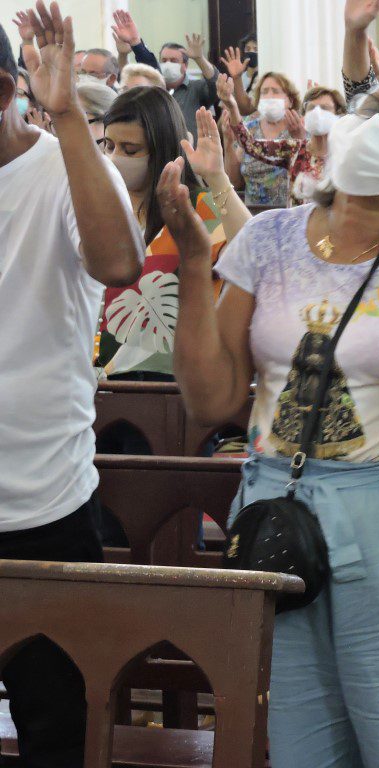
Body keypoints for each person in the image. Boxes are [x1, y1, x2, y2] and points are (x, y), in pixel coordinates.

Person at [164, 64, 379, 767]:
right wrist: (195, 268)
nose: (373, 124)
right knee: (296, 737)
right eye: (371, 106)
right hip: (275, 501)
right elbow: (214, 401)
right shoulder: (270, 240)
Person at [0, 6, 144, 766]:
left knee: (56, 735)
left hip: (42, 508)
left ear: (2, 89)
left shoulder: (63, 169)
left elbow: (120, 264)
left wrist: (65, 116)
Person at [94, 87, 250, 380]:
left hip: (170, 379)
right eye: (109, 145)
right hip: (96, 375)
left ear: (162, 147)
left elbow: (253, 249)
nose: (114, 158)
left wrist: (217, 176)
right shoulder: (100, 207)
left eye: (130, 150)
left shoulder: (194, 204)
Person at [221, 75, 344, 207]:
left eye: (325, 108)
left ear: (339, 115)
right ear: (304, 116)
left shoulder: (344, 154)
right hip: (296, 225)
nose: (317, 113)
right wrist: (232, 106)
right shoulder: (295, 149)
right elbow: (249, 144)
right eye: (312, 108)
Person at [113, 24, 219, 141]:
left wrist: (200, 59)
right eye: (164, 60)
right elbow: (126, 78)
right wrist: (123, 54)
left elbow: (215, 84)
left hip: (188, 154)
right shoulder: (150, 86)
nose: (168, 64)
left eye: (173, 61)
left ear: (185, 65)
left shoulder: (196, 88)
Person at [224, 70, 300, 208]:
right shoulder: (247, 130)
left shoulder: (299, 130)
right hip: (252, 214)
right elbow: (233, 182)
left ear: (290, 101)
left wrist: (299, 139)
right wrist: (228, 143)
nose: (270, 96)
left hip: (290, 215)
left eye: (276, 91)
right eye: (264, 92)